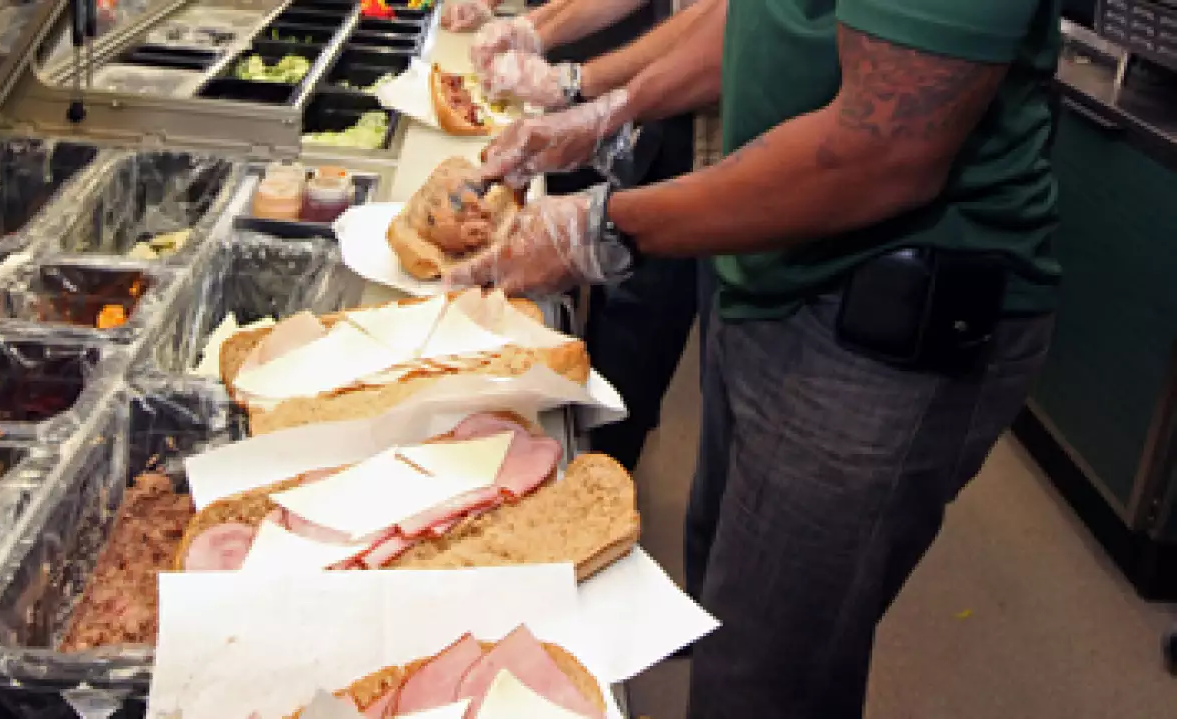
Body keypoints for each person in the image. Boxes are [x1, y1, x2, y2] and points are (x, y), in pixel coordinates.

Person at [448, 0, 1063, 716]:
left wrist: (602, 227)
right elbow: (758, 17)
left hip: (876, 333)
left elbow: (885, 151)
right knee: (726, 604)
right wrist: (605, 110)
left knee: (766, 680)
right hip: (771, 282)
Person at [447, 0, 724, 471]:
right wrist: (603, 102)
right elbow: (725, 19)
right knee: (618, 321)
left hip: (808, 254)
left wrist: (582, 87)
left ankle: (597, 470)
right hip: (683, 111)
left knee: (645, 333)